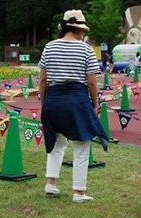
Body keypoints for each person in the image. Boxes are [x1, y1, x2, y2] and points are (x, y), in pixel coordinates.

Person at [38, 9, 108, 203]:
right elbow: (92, 82)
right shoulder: (86, 50)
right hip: (77, 99)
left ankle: (50, 183)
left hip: (53, 98)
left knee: (56, 143)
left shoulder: (49, 47)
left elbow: (43, 79)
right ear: (80, 30)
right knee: (82, 144)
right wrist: (95, 104)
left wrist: (45, 102)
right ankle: (78, 192)